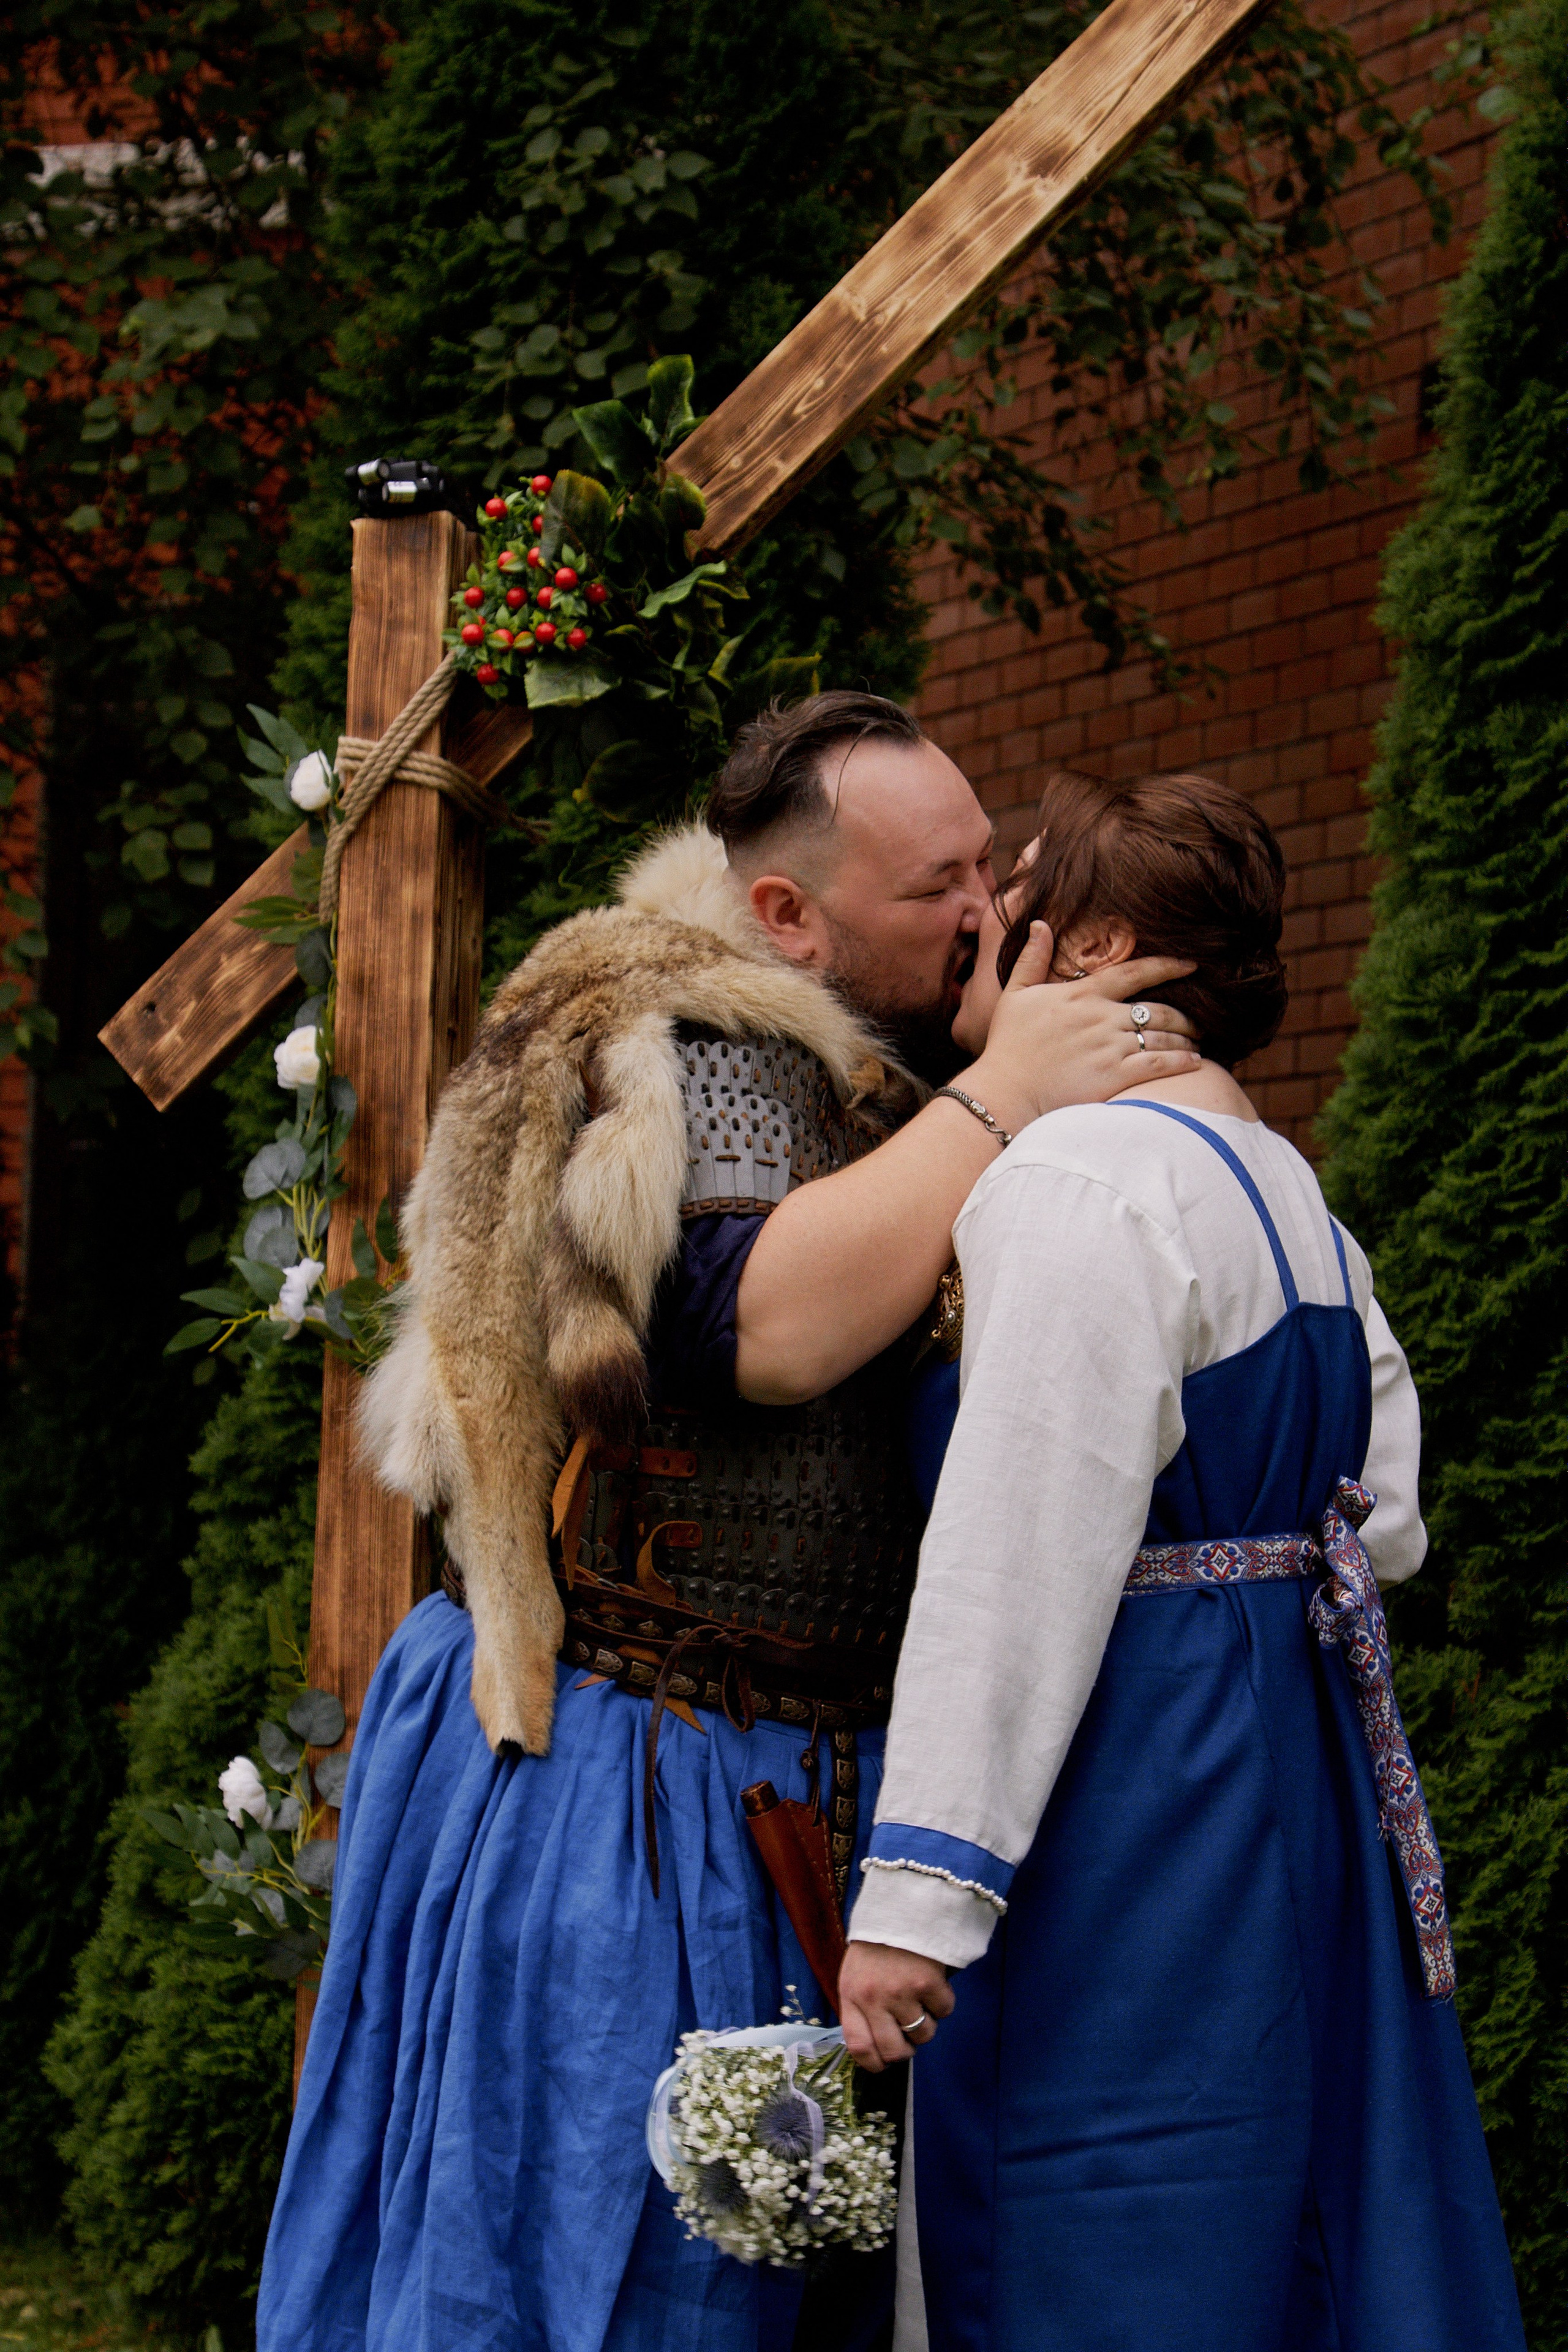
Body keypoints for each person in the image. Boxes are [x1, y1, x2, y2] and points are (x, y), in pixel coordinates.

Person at [256, 697, 1199, 2352]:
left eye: (992, 861)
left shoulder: (909, 1070)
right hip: (641, 1784)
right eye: (941, 886)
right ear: (785, 916)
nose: (991, 906)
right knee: (605, 2263)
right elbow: (755, 1329)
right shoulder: (699, 1048)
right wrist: (1005, 1094)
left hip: (823, 1779)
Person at [839, 767, 1525, 2352]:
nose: (981, 938)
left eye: (1012, 909)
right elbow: (1391, 1518)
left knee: (1113, 2226)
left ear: (1100, 947)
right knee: (1289, 2220)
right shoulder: (1292, 1194)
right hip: (1296, 1758)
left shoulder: (1077, 1185)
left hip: (1137, 1794)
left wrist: (919, 1898)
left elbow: (1013, 1551)